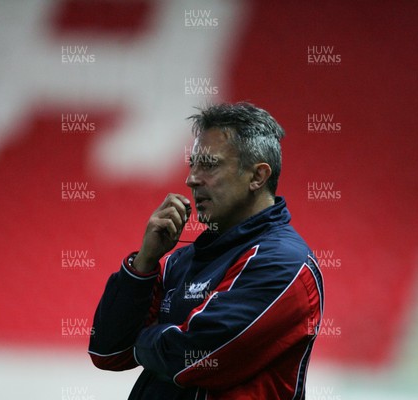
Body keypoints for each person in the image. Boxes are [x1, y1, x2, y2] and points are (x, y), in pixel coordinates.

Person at [88, 102, 324, 399]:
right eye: (193, 164)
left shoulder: (284, 263)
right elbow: (107, 351)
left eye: (209, 165)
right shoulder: (179, 261)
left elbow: (193, 357)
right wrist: (145, 263)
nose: (191, 178)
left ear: (257, 176)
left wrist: (142, 342)